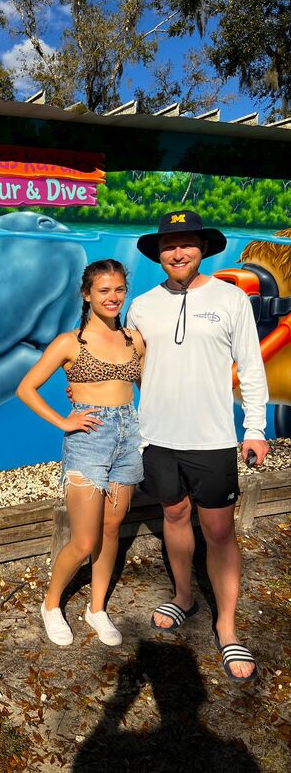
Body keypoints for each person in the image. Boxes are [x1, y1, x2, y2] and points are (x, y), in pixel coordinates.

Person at [126, 210, 269, 683]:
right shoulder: (142, 305)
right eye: (170, 245)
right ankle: (185, 595)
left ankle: (226, 628)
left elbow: (251, 368)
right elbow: (128, 367)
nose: (178, 252)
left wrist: (255, 428)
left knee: (221, 532)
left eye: (187, 243)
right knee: (173, 515)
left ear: (202, 248)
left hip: (211, 440)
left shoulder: (231, 300)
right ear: (159, 254)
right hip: (157, 438)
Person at [17, 259, 145, 647]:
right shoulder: (69, 342)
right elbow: (26, 388)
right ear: (87, 294)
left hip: (128, 437)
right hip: (89, 441)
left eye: (119, 289)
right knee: (85, 540)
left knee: (111, 530)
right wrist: (64, 421)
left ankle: (96, 609)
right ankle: (51, 604)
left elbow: (150, 386)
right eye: (104, 290)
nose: (113, 297)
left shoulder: (134, 340)